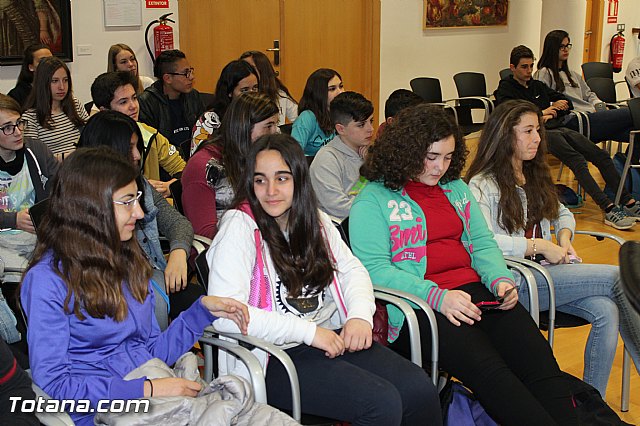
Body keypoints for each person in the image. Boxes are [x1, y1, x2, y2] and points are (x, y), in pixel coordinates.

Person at [350, 103, 578, 425]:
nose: (439, 167)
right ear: (405, 151)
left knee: (538, 360)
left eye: (447, 157)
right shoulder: (373, 199)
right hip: (420, 305)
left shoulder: (455, 188)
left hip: (475, 291)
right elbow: (374, 270)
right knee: (492, 374)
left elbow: (482, 243)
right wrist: (438, 297)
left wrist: (500, 279)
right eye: (431, 157)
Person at [207, 133, 441, 425]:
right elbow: (227, 316)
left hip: (331, 336)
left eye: (282, 178)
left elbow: (352, 270)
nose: (270, 191)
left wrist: (359, 316)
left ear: (299, 180)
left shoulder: (314, 220)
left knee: (420, 389)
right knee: (381, 403)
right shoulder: (239, 228)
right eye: (260, 180)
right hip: (272, 356)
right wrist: (309, 333)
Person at [20, 146, 250, 426]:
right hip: (104, 413)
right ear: (89, 208)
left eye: (137, 199)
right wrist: (146, 390)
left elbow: (150, 352)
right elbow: (55, 385)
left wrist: (200, 313)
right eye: (127, 202)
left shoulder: (128, 260)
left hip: (153, 394)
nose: (140, 213)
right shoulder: (47, 281)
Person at [466, 99, 640, 397]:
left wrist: (564, 238)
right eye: (528, 131)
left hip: (549, 277)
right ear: (505, 135)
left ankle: (591, 403)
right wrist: (539, 246)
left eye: (538, 130)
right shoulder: (482, 184)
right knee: (618, 278)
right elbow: (485, 242)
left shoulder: (534, 172)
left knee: (607, 310)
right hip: (515, 283)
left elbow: (563, 214)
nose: (537, 138)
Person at [495, 45, 639, 230]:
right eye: (524, 67)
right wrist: (542, 112)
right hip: (537, 134)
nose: (529, 71)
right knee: (577, 160)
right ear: (512, 67)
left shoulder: (537, 85)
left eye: (531, 66)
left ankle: (628, 201)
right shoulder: (506, 88)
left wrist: (553, 112)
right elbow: (510, 113)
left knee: (600, 155)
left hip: (557, 126)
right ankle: (608, 208)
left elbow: (567, 103)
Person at [77, 111, 201, 321]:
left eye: (137, 147)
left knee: (213, 309)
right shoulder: (84, 202)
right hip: (121, 299)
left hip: (154, 282)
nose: (136, 156)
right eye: (129, 149)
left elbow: (177, 222)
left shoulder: (138, 182)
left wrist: (179, 251)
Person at [0, 93, 58, 348]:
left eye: (19, 123)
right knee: (20, 289)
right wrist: (12, 219)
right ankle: (26, 350)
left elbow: (61, 187)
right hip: (4, 240)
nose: (17, 132)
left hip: (38, 235)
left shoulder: (36, 150)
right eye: (7, 127)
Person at [182, 92, 279, 239]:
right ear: (244, 127)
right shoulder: (203, 166)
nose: (275, 132)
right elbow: (204, 232)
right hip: (227, 246)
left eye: (276, 124)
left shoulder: (256, 156)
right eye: (269, 126)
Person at [535, 30, 635, 149]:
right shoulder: (544, 73)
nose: (566, 50)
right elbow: (542, 100)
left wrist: (599, 104)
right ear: (552, 49)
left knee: (635, 131)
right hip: (574, 120)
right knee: (632, 112)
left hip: (591, 115)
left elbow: (588, 94)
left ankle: (626, 161)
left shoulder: (573, 75)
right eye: (561, 47)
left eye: (567, 46)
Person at [91, 71, 185, 197]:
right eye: (123, 102)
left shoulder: (150, 134)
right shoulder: (94, 145)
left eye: (134, 98)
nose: (133, 106)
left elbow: (183, 169)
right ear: (104, 110)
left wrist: (171, 186)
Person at [310, 91, 373, 221]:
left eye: (371, 121)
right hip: (341, 226)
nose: (370, 129)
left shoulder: (370, 153)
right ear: (341, 129)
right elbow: (338, 207)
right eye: (361, 125)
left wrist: (373, 164)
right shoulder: (327, 159)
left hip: (367, 218)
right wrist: (376, 211)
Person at [138, 49, 205, 153]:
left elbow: (204, 131)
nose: (192, 77)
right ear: (168, 78)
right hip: (166, 159)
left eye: (191, 71)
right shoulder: (147, 103)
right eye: (185, 73)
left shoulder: (193, 96)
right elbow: (151, 147)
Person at [22, 56, 88, 156]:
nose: (62, 87)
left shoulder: (75, 104)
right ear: (43, 83)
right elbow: (34, 157)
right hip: (56, 164)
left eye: (65, 80)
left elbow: (90, 134)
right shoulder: (30, 117)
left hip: (81, 160)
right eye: (55, 81)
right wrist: (68, 157)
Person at [190, 60, 259, 154]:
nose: (252, 94)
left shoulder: (262, 115)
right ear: (230, 92)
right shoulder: (210, 120)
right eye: (244, 90)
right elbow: (199, 159)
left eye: (255, 88)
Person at [292, 68, 344, 156]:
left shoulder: (340, 112)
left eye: (341, 86)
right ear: (319, 93)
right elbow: (293, 153)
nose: (340, 92)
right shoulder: (307, 117)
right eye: (332, 89)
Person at [241, 50, 298, 125]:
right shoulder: (240, 95)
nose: (246, 72)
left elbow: (299, 118)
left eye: (251, 68)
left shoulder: (280, 95)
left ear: (263, 70)